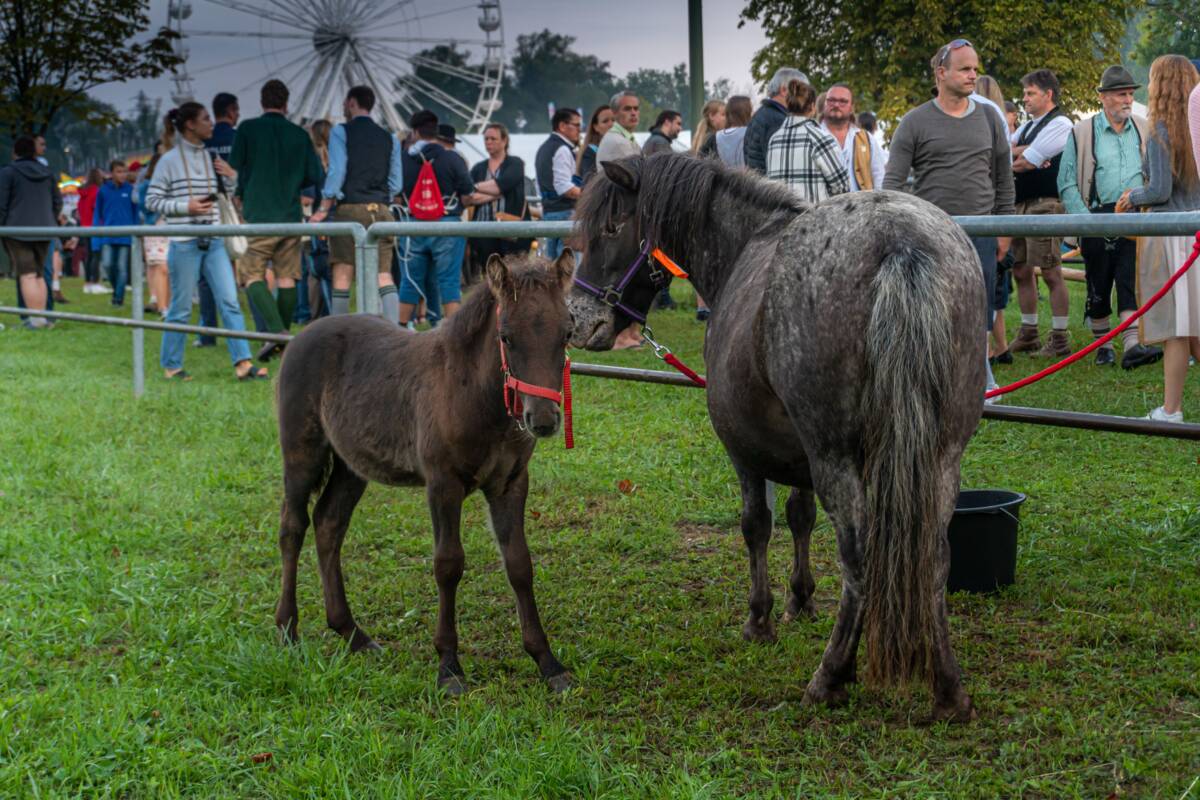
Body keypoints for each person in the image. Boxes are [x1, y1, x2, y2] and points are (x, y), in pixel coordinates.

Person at [883, 39, 1015, 400]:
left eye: (975, 68)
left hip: (982, 230)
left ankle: (980, 375)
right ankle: (928, 380)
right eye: (965, 69)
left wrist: (1006, 228)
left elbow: (1003, 177)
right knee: (931, 309)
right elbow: (892, 184)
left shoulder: (989, 118)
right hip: (930, 232)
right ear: (942, 73)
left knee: (979, 303)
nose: (973, 75)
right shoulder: (914, 121)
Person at [145, 102, 266, 381]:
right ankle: (172, 366)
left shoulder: (211, 157)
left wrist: (231, 178)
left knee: (230, 301)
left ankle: (243, 363)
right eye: (205, 119)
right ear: (190, 125)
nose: (212, 124)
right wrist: (185, 207)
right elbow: (151, 200)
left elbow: (226, 196)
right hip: (185, 241)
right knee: (181, 307)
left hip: (213, 240)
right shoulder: (169, 161)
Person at [1058, 66, 1160, 370]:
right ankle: (1103, 346)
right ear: (1103, 98)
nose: (1128, 100)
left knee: (1129, 279)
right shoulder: (1081, 131)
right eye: (1121, 94)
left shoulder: (1144, 127)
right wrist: (1085, 221)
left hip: (1133, 213)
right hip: (1095, 214)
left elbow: (1154, 174)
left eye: (1130, 94)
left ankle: (1131, 345)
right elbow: (1066, 182)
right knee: (1098, 282)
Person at [1119, 56, 1200, 422]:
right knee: (1194, 325)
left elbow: (1159, 190)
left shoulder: (1160, 128)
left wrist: (1131, 197)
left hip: (1172, 236)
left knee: (1176, 328)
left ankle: (1171, 409)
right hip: (1194, 231)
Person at [227, 79, 324, 359]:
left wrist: (245, 189)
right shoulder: (298, 134)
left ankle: (277, 332)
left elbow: (238, 166)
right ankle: (282, 343)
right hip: (290, 214)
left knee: (250, 273)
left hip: (259, 214)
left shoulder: (247, 129)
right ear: (286, 103)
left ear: (261, 102)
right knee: (288, 276)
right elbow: (314, 175)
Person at [309, 85, 405, 320]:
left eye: (345, 102)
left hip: (350, 209)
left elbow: (337, 171)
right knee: (383, 275)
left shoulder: (341, 132)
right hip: (381, 211)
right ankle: (393, 331)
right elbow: (396, 183)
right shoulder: (390, 138)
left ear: (352, 103)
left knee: (342, 273)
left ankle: (340, 335)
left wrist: (323, 208)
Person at [395, 109, 492, 326]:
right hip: (447, 225)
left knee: (409, 282)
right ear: (436, 132)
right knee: (448, 282)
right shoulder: (451, 158)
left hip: (413, 225)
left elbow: (395, 192)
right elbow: (467, 195)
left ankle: (400, 330)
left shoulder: (402, 159)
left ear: (414, 132)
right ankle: (454, 335)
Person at [1003, 69, 1075, 358]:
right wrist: (1022, 151)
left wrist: (1022, 154)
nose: (1025, 99)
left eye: (1030, 93)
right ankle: (1029, 332)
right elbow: (1008, 151)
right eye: (1025, 94)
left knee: (1050, 270)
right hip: (1021, 203)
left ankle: (1060, 337)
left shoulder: (1061, 123)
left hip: (1046, 202)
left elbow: (1026, 163)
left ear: (1048, 94)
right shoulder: (1029, 126)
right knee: (1020, 269)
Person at [0, 136, 62, 328]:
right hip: (45, 229)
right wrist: (49, 221)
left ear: (15, 153)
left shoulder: (8, 172)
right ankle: (42, 318)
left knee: (26, 274)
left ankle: (34, 320)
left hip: (17, 231)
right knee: (39, 274)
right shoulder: (48, 172)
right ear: (34, 151)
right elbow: (57, 202)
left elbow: (1, 204)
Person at [196, 91, 240, 347]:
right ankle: (257, 332)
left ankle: (208, 331)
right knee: (245, 270)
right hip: (236, 210)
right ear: (232, 111)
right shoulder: (238, 139)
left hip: (209, 211)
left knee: (206, 275)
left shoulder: (205, 144)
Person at [765, 78, 849, 202]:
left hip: (780, 218)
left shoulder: (774, 139)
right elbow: (842, 188)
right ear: (812, 106)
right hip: (813, 217)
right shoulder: (820, 138)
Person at [468, 122, 529, 283]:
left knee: (514, 276)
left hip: (511, 230)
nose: (489, 142)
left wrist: (480, 188)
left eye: (493, 138)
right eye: (486, 139)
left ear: (504, 141)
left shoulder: (515, 163)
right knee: (490, 278)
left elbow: (503, 184)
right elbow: (469, 197)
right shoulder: (478, 168)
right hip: (483, 230)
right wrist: (498, 192)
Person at [819, 82, 887, 191]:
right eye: (831, 100)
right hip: (823, 206)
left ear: (851, 108)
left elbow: (879, 176)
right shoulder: (813, 135)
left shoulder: (866, 138)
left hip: (861, 206)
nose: (836, 105)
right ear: (824, 104)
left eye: (843, 101)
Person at [536, 107, 582, 260]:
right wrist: (589, 196)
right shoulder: (562, 148)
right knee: (570, 268)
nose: (579, 130)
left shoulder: (543, 148)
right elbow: (564, 187)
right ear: (562, 126)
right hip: (565, 213)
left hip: (549, 213)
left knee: (553, 268)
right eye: (576, 125)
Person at [744, 67, 808, 173]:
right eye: (802, 91)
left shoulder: (764, 114)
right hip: (772, 187)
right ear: (784, 90)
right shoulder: (777, 120)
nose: (806, 97)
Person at [93, 159, 137, 307]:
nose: (123, 175)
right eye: (119, 171)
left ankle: (118, 300)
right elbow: (97, 215)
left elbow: (136, 213)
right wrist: (95, 236)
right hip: (107, 235)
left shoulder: (130, 190)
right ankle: (116, 291)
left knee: (122, 268)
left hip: (126, 236)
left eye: (124, 171)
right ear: (111, 173)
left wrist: (137, 232)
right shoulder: (103, 191)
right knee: (107, 265)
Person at [138, 140, 171, 316]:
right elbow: (143, 206)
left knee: (168, 268)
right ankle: (162, 306)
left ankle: (167, 304)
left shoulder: (171, 184)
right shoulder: (146, 185)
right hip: (155, 226)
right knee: (160, 266)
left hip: (170, 226)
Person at [77, 168, 108, 294]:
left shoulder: (83, 193)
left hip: (84, 226)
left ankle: (87, 283)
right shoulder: (97, 191)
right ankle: (95, 282)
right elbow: (99, 209)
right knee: (96, 255)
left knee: (88, 255)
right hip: (95, 226)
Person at [596, 90, 642, 165]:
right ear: (614, 113)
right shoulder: (619, 143)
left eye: (636, 109)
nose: (633, 113)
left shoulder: (623, 137)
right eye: (627, 109)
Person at [713, 95, 753, 168]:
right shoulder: (752, 134)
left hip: (722, 178)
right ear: (746, 113)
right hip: (748, 178)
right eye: (751, 111)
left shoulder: (715, 137)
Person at [576, 104, 613, 184]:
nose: (611, 124)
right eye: (605, 121)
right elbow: (589, 183)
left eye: (614, 120)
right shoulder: (590, 152)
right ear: (596, 127)